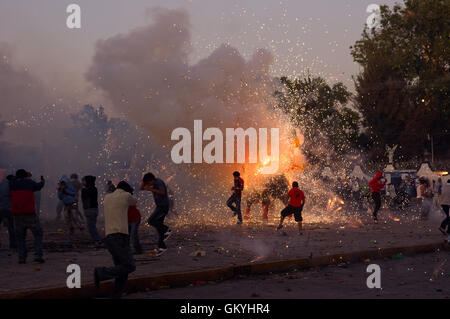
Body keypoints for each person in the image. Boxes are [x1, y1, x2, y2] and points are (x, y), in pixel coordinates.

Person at [94, 181, 137, 298]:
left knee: (122, 268)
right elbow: (135, 201)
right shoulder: (126, 196)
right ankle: (101, 272)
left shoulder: (107, 197)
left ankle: (116, 294)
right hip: (120, 237)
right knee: (129, 266)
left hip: (109, 237)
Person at [9, 169, 45, 264]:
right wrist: (42, 181)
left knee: (20, 237)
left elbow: (10, 178)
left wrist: (21, 177)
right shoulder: (29, 182)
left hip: (17, 215)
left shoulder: (12, 184)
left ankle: (22, 257)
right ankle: (38, 255)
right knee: (38, 234)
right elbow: (38, 186)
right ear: (25, 175)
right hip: (30, 214)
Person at [140, 173, 171, 255]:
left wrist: (150, 189)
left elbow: (162, 192)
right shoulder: (153, 182)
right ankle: (162, 247)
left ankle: (167, 229)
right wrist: (144, 181)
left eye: (148, 183)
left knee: (151, 220)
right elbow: (141, 188)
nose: (148, 185)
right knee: (159, 228)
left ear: (152, 180)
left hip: (163, 207)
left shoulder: (158, 182)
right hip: (159, 206)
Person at [120, 183, 143, 255]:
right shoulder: (124, 196)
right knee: (128, 235)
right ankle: (129, 249)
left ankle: (138, 250)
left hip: (135, 218)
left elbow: (134, 202)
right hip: (129, 219)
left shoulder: (128, 196)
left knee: (133, 235)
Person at [81, 175, 102, 246]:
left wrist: (83, 189)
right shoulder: (93, 188)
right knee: (92, 227)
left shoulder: (88, 189)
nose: (82, 182)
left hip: (90, 210)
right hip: (93, 210)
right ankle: (97, 240)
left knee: (91, 227)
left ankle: (97, 240)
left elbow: (85, 198)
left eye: (84, 181)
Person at [0, 175, 17, 250]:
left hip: (0, 208)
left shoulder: (1, 184)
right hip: (9, 209)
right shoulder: (12, 185)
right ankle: (13, 244)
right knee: (12, 227)